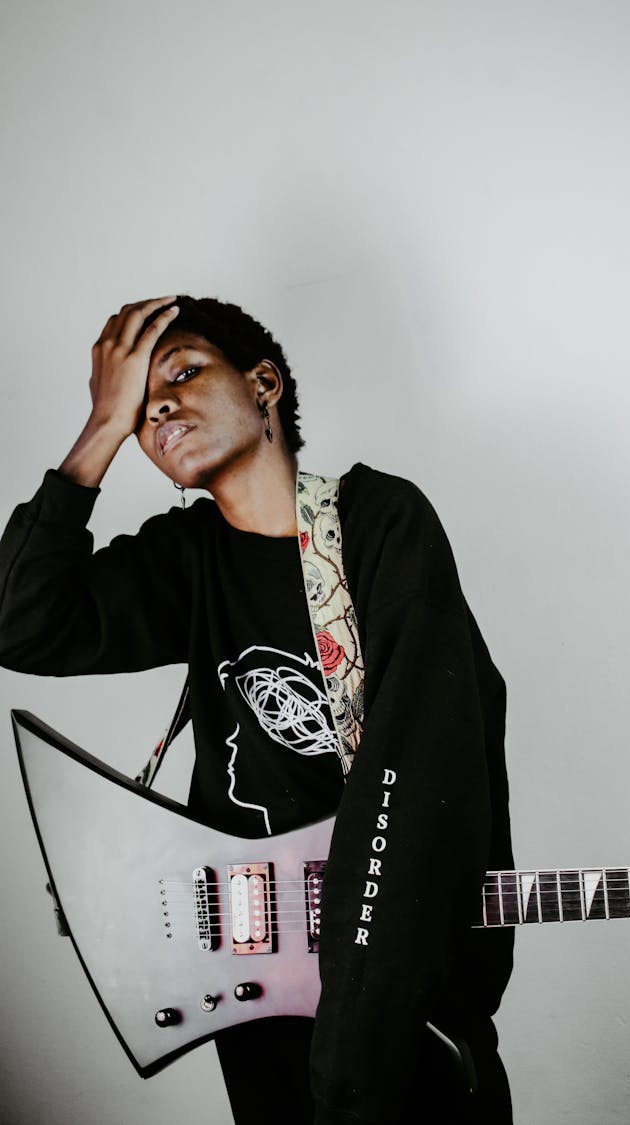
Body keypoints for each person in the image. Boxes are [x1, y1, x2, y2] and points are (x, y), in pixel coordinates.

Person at [0, 296, 515, 1124]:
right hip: (262, 1014)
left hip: (402, 1018)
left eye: (185, 372)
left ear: (264, 382)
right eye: (139, 405)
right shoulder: (187, 562)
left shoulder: (378, 522)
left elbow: (423, 780)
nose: (157, 404)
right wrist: (98, 430)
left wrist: (348, 1074)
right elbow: (18, 622)